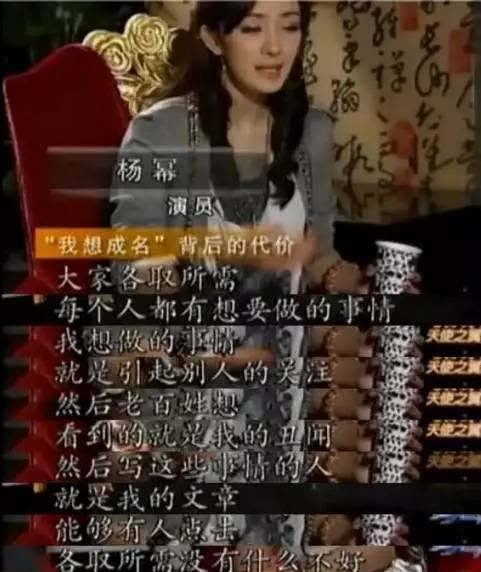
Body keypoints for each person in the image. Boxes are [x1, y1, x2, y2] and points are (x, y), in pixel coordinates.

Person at [110, 1, 422, 569]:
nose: (276, 47)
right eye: (253, 28)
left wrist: (350, 282)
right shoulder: (160, 132)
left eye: (290, 26)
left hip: (288, 373)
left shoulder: (311, 131)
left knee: (378, 548)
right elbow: (136, 269)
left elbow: (319, 248)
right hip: (198, 370)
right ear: (214, 38)